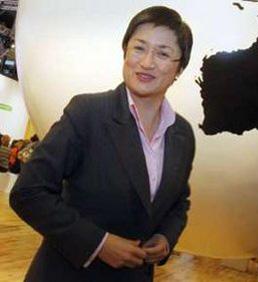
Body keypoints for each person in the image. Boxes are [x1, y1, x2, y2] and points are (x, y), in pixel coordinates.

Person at [9, 6, 195, 282]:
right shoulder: (87, 113)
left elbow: (179, 202)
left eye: (163, 53)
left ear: (179, 67)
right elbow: (28, 192)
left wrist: (165, 238)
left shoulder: (181, 134)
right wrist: (98, 243)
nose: (147, 62)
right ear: (125, 52)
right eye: (139, 48)